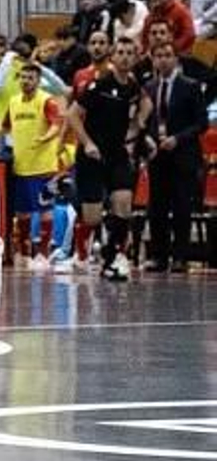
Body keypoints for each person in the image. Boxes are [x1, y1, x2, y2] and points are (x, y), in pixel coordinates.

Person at [66, 36, 150, 281]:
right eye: (120, 52)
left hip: (117, 154)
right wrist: (88, 143)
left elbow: (146, 104)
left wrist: (137, 127)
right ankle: (84, 250)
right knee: (92, 216)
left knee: (123, 202)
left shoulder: (132, 85)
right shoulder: (100, 84)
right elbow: (72, 115)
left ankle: (112, 257)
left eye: (129, 53)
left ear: (135, 58)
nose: (124, 57)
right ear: (113, 57)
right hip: (92, 156)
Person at [0, 62, 65, 271]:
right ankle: (22, 252)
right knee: (22, 213)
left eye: (30, 78)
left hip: (44, 167)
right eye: (22, 77)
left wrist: (45, 137)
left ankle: (43, 255)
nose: (26, 81)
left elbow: (57, 125)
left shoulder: (46, 101)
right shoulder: (13, 103)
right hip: (22, 166)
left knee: (46, 211)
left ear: (38, 80)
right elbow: (3, 128)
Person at [140, 41, 208, 272]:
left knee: (181, 206)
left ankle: (180, 257)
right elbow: (143, 120)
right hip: (157, 155)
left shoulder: (190, 86)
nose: (163, 60)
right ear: (153, 59)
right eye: (158, 56)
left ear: (175, 59)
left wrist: (177, 139)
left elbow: (201, 123)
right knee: (157, 206)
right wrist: (148, 138)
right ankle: (159, 255)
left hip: (183, 155)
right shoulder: (148, 87)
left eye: (168, 55)